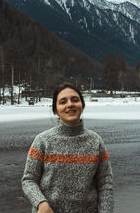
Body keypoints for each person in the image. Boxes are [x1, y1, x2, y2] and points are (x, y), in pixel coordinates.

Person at [21, 84, 113, 213]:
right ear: (56, 110)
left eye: (75, 100)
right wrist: (40, 203)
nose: (70, 104)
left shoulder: (96, 141)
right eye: (63, 102)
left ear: (82, 105)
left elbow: (105, 184)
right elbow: (29, 180)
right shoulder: (42, 141)